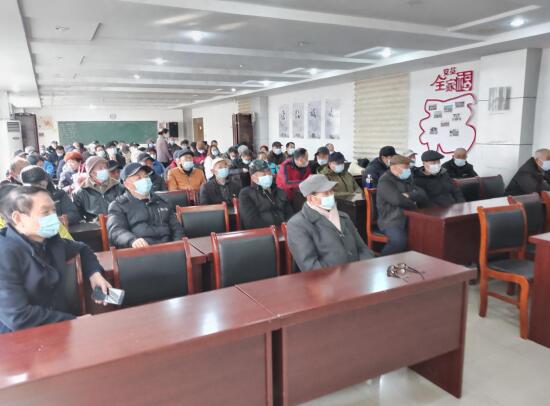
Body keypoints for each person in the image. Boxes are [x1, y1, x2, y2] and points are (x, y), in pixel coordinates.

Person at [0, 186, 111, 333]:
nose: (53, 217)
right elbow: (18, 316)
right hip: (19, 337)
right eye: (45, 212)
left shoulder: (50, 240)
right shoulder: (5, 253)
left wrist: (94, 273)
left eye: (53, 210)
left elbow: (82, 249)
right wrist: (73, 321)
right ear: (18, 218)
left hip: (61, 327)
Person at [286, 174, 374, 272]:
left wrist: (362, 269)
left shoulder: (343, 217)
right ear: (311, 198)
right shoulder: (298, 225)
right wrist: (343, 277)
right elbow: (310, 266)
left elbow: (363, 249)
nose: (331, 196)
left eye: (331, 191)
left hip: (358, 274)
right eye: (326, 193)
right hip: (329, 279)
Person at [107, 163, 183, 248]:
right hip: (139, 252)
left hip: (168, 249)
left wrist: (177, 246)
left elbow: (177, 229)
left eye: (146, 176)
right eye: (139, 178)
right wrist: (132, 240)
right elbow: (116, 231)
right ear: (126, 184)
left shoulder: (162, 201)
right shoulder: (118, 206)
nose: (145, 180)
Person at [376, 155, 429, 256]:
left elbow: (422, 193)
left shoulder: (407, 178)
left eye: (408, 167)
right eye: (405, 168)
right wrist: (413, 202)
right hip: (391, 220)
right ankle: (380, 261)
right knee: (399, 242)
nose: (408, 170)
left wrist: (409, 195)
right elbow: (397, 200)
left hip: (410, 217)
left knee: (424, 236)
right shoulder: (385, 181)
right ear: (394, 167)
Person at [238, 160, 293, 229]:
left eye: (269, 172)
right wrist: (274, 229)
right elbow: (251, 222)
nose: (268, 176)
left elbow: (290, 213)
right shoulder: (246, 194)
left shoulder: (280, 190)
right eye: (263, 174)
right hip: (263, 232)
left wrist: (288, 227)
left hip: (285, 229)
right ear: (254, 178)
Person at [73, 156, 125, 221]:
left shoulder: (118, 186)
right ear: (91, 172)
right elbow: (77, 215)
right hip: (95, 226)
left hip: (119, 222)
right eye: (100, 168)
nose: (104, 170)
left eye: (105, 167)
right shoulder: (80, 192)